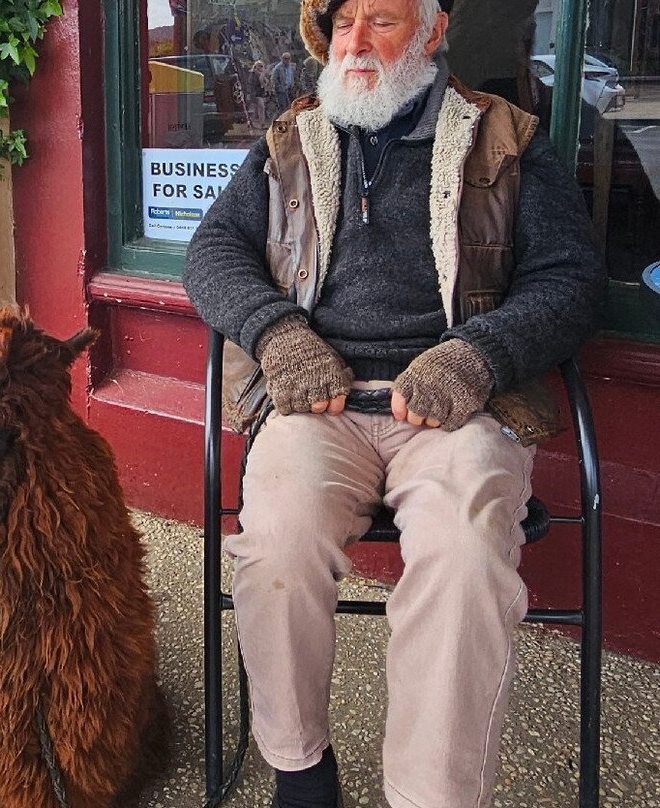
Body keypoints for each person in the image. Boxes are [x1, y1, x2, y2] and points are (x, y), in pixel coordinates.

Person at [182, 2, 604, 808]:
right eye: (343, 26)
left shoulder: (506, 135)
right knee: (275, 541)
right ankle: (301, 768)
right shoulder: (292, 139)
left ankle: (433, 795)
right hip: (319, 402)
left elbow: (570, 279)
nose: (356, 44)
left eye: (382, 20)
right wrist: (278, 334)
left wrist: (478, 355)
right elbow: (212, 252)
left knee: (466, 556)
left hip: (463, 412)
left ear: (433, 33)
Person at [249, 60, 272, 127]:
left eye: (262, 66)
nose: (261, 68)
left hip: (261, 93)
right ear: (256, 66)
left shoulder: (262, 74)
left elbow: (266, 83)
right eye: (259, 66)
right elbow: (252, 84)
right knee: (261, 107)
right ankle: (262, 123)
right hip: (255, 94)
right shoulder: (253, 74)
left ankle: (251, 121)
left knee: (256, 110)